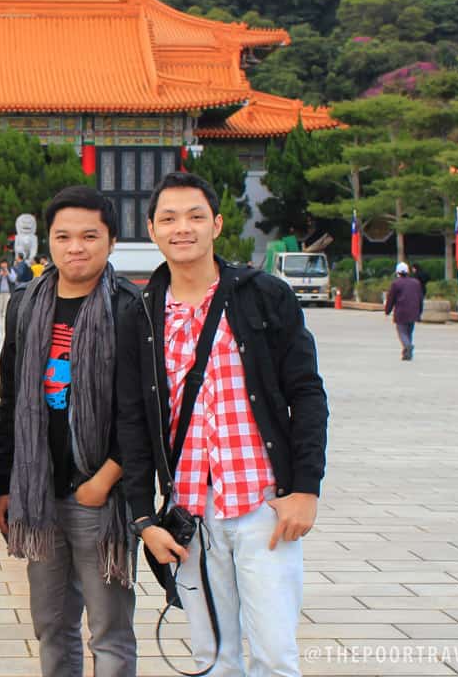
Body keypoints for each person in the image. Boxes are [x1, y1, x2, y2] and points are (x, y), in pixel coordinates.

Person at [119, 171, 329, 677]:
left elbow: (307, 393)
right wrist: (144, 518)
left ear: (216, 224)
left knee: (275, 655)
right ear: (152, 229)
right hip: (190, 513)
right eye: (168, 218)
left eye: (194, 216)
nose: (182, 228)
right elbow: (132, 420)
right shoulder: (140, 316)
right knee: (212, 658)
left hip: (263, 505)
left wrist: (306, 488)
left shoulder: (264, 296)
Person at [0, 185, 141, 676]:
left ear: (112, 241)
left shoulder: (129, 308)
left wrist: (106, 479)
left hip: (100, 495)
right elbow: (10, 400)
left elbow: (141, 412)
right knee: (52, 627)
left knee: (109, 633)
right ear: (46, 241)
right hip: (39, 495)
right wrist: (4, 482)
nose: (75, 247)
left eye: (89, 236)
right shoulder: (27, 305)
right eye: (63, 236)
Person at [385, 262, 424, 361]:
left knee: (401, 331)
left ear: (397, 272)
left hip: (401, 312)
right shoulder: (416, 283)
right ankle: (407, 353)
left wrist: (387, 310)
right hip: (414, 311)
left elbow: (391, 298)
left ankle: (408, 346)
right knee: (409, 332)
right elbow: (420, 298)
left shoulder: (396, 283)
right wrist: (420, 312)